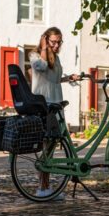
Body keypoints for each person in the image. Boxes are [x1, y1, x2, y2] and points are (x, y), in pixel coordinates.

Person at [28, 27, 79, 199]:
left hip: (55, 104)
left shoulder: (55, 58)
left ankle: (45, 188)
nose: (57, 45)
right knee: (47, 146)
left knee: (51, 147)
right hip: (45, 105)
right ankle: (43, 189)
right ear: (45, 39)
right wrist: (43, 47)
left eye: (59, 42)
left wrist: (68, 78)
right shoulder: (35, 55)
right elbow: (41, 67)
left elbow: (54, 79)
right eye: (54, 42)